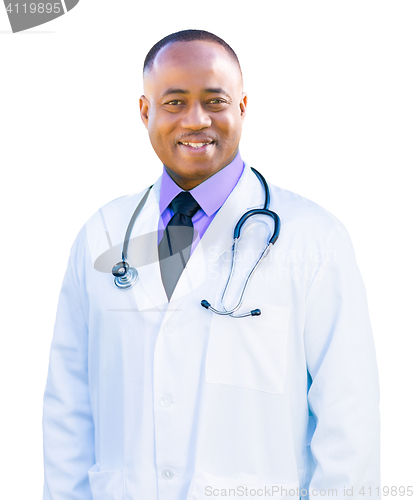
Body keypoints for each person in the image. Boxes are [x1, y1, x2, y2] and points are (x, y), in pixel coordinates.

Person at [42, 29, 380, 500]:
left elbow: (349, 416)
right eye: (175, 102)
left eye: (215, 101)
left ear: (242, 108)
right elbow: (68, 410)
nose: (196, 120)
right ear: (145, 112)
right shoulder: (101, 235)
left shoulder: (313, 240)